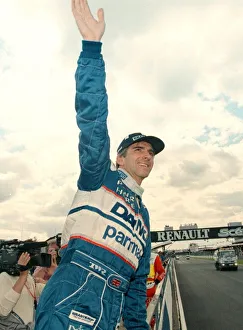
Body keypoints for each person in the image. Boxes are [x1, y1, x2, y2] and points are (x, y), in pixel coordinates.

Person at [35, 1, 165, 330]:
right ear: (119, 157)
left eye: (151, 152)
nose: (147, 155)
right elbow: (93, 120)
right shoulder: (99, 176)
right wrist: (92, 50)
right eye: (138, 148)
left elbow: (137, 285)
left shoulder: (144, 216)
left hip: (113, 304)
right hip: (75, 289)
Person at [0, 252, 45, 329]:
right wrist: (23, 276)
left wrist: (55, 270)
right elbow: (3, 311)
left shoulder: (28, 277)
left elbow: (40, 290)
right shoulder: (4, 276)